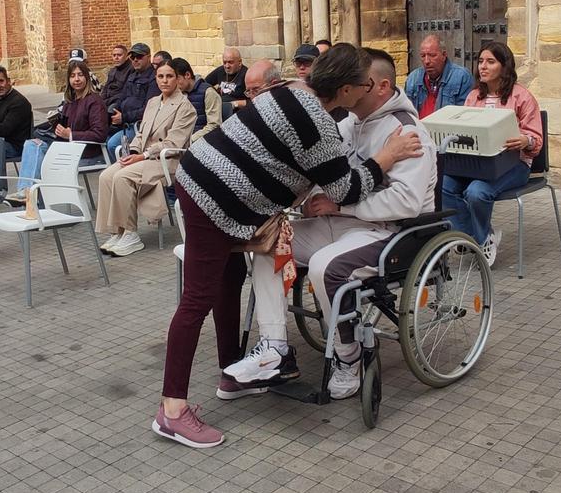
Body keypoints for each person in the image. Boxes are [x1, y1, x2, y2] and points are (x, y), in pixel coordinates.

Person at [153, 43, 424, 448]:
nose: (366, 91)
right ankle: (172, 410)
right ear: (347, 89)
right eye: (362, 84)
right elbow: (346, 188)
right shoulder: (317, 123)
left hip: (205, 180)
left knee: (228, 279)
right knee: (197, 299)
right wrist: (385, 156)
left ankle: (233, 372)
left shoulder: (292, 90)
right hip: (215, 195)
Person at [222, 48, 437, 399]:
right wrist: (311, 200)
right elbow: (324, 171)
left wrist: (340, 206)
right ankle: (274, 348)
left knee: (326, 266)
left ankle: (348, 356)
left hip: (390, 231)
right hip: (343, 223)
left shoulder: (408, 132)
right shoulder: (348, 123)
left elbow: (406, 202)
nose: (346, 88)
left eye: (359, 82)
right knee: (271, 246)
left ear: (379, 87)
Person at [440, 41, 542, 268]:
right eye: (480, 61)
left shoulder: (522, 97)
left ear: (504, 67)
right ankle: (480, 238)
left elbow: (536, 140)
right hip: (475, 163)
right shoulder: (474, 96)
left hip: (513, 165)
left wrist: (525, 139)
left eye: (490, 62)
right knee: (442, 186)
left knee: (476, 191)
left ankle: (472, 239)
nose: (482, 67)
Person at [96, 63, 197, 258]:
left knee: (122, 177)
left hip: (166, 160)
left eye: (169, 76)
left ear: (177, 79)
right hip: (142, 156)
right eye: (160, 76)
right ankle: (117, 231)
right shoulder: (152, 102)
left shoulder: (186, 107)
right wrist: (132, 150)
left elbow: (172, 142)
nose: (164, 81)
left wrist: (142, 155)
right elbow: (141, 133)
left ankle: (131, 233)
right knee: (106, 176)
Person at [11, 61, 109, 200]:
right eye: (73, 76)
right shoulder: (70, 101)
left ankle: (32, 199)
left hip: (87, 153)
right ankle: (26, 192)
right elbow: (65, 131)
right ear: (68, 80)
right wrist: (56, 126)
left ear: (87, 77)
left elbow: (100, 134)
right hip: (66, 149)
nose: (76, 79)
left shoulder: (95, 101)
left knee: (43, 162)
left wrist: (71, 134)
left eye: (80, 75)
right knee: (33, 144)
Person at [405, 34, 473, 117]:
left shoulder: (461, 77)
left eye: (432, 55)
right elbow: (406, 113)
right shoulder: (413, 78)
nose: (426, 61)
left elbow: (464, 116)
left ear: (444, 55)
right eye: (423, 56)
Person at [106, 42, 154, 157]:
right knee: (104, 136)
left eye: (139, 56)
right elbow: (122, 97)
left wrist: (123, 117)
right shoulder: (133, 75)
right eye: (132, 57)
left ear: (149, 57)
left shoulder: (153, 78)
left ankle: (123, 169)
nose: (135, 60)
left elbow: (149, 109)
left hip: (139, 125)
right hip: (123, 122)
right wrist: (113, 110)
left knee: (112, 144)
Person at [172, 58, 221, 142]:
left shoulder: (208, 92)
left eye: (177, 78)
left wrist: (190, 140)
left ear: (187, 75)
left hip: (199, 142)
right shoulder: (178, 93)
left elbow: (214, 125)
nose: (174, 83)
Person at [101, 44, 133, 108]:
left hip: (120, 103)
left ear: (127, 57)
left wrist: (106, 102)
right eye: (114, 55)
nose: (116, 58)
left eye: (119, 55)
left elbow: (125, 92)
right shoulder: (112, 71)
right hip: (108, 101)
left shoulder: (131, 70)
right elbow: (106, 88)